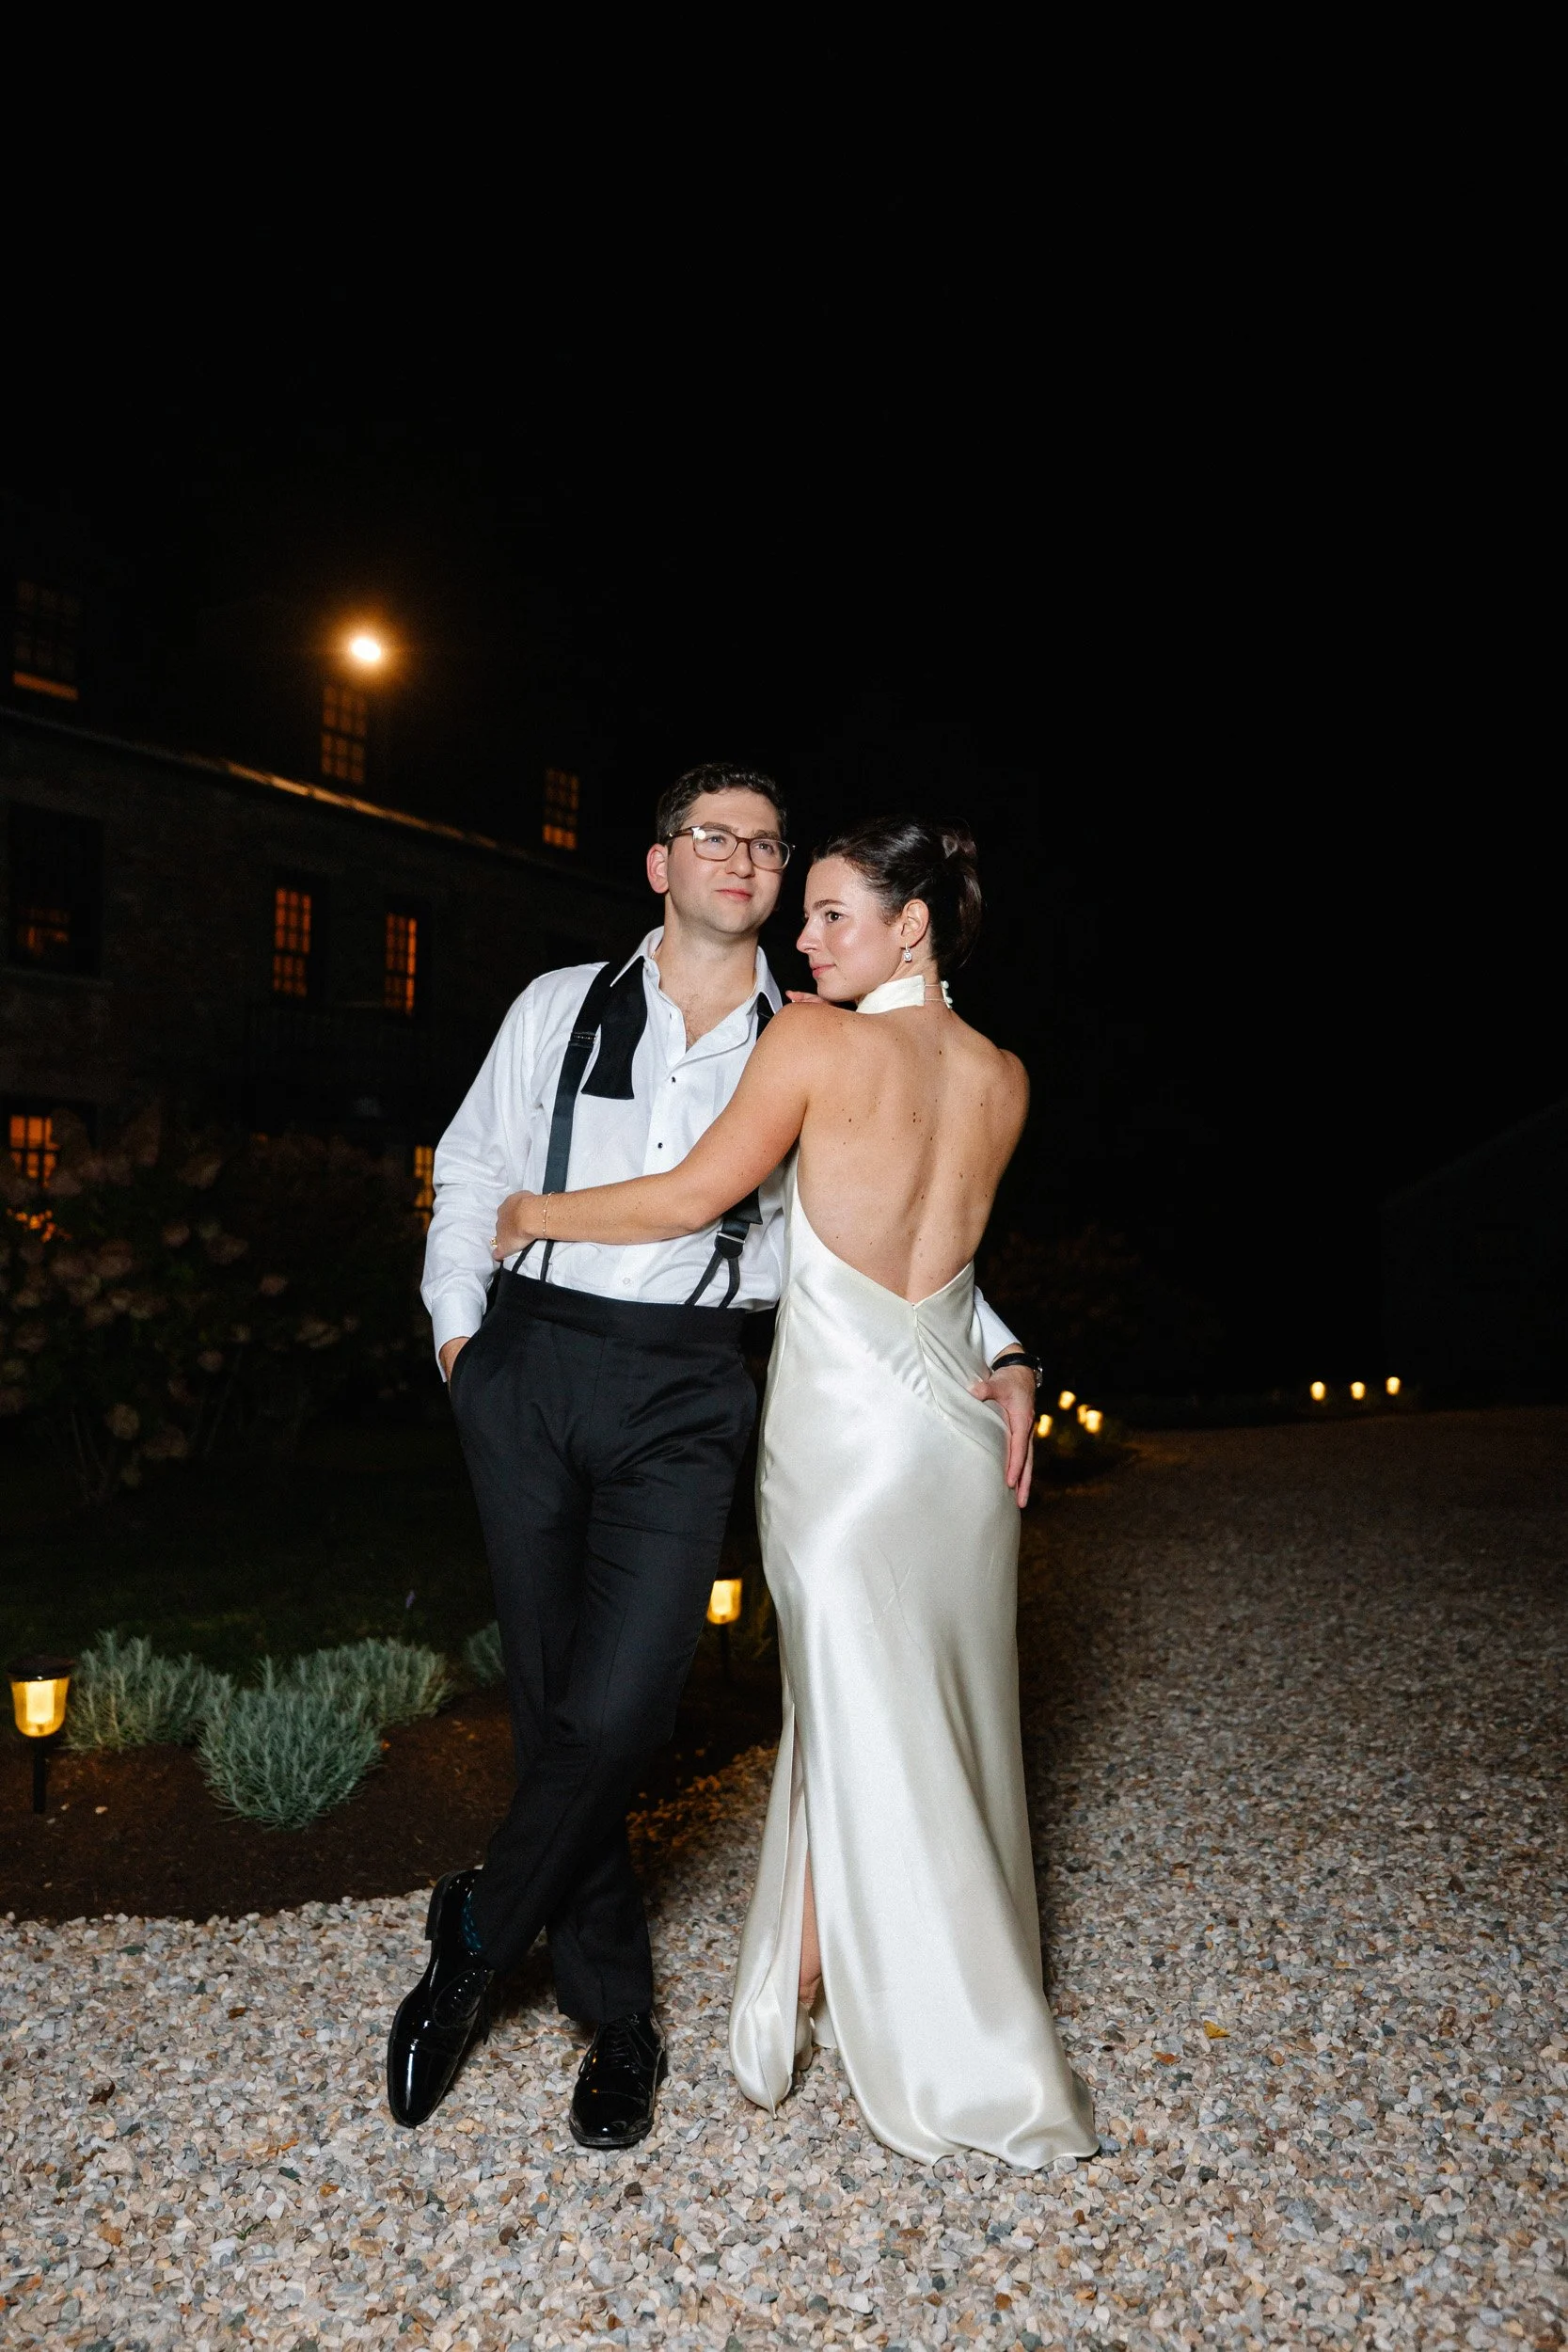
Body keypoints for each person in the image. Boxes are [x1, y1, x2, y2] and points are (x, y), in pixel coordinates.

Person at [389, 771, 1039, 2149]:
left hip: (689, 1385)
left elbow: (883, 1243)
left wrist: (1006, 1345)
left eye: (768, 845)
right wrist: (462, 1343)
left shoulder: (802, 1033)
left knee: (623, 1714)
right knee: (553, 1704)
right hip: (533, 1355)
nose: (744, 861)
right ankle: (617, 2016)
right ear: (658, 863)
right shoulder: (556, 1004)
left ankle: (478, 1930)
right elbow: (468, 1164)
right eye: (714, 836)